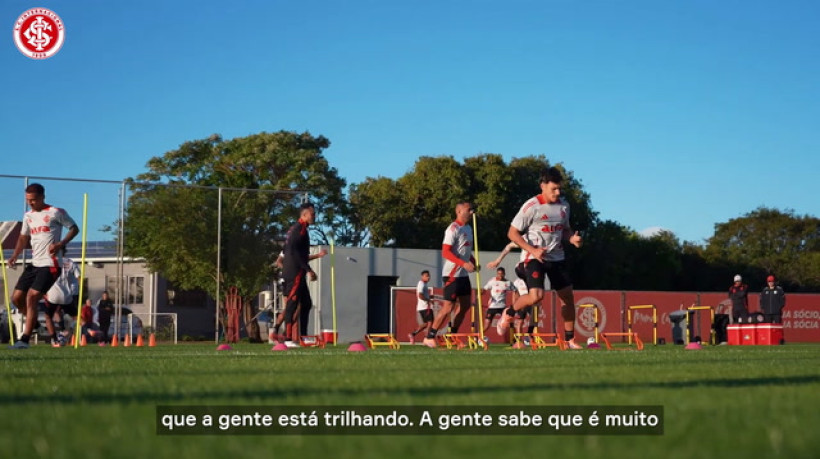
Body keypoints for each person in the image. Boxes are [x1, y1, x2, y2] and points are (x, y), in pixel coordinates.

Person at [495, 167, 584, 349]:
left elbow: (565, 229)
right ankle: (509, 312)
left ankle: (569, 340)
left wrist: (572, 239)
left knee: (567, 297)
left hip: (557, 257)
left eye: (560, 188)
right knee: (536, 297)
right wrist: (533, 250)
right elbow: (512, 233)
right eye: (554, 189)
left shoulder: (564, 206)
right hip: (533, 257)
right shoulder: (531, 206)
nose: (558, 192)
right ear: (542, 186)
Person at [7, 183, 78, 349]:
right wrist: (15, 255)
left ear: (42, 197)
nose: (30, 203)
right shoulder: (28, 216)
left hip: (51, 264)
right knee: (16, 298)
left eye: (33, 200)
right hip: (35, 264)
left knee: (31, 296)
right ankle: (35, 325)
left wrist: (60, 244)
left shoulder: (55, 212)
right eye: (28, 200)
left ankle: (24, 340)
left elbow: (74, 229)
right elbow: (23, 238)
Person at [423, 202, 477, 348]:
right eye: (468, 209)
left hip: (463, 275)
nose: (472, 212)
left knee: (465, 306)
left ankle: (452, 334)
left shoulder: (468, 228)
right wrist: (463, 263)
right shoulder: (453, 228)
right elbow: (446, 252)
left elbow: (464, 250)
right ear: (459, 211)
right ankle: (430, 336)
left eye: (472, 210)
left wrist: (472, 260)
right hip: (452, 273)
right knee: (448, 307)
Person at [269, 248, 328, 341]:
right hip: (290, 280)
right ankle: (280, 332)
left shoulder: (301, 248)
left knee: (303, 306)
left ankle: (298, 335)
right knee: (291, 308)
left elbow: (303, 260)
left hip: (300, 280)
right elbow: (279, 261)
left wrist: (316, 259)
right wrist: (288, 270)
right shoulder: (290, 246)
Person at [281, 203, 318, 347]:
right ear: (304, 215)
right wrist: (308, 269)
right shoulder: (299, 229)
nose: (314, 216)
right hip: (294, 272)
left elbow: (287, 248)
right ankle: (288, 339)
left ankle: (303, 336)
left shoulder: (298, 229)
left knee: (307, 304)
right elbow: (292, 252)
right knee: (291, 305)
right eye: (312, 214)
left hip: (298, 272)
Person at [43, 248, 81, 346]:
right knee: (74, 315)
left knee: (50, 315)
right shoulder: (71, 263)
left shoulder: (51, 262)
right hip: (71, 294)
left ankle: (58, 336)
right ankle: (69, 330)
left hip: (56, 293)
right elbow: (79, 277)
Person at [482, 267, 513, 337]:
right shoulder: (492, 281)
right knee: (486, 325)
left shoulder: (508, 283)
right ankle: (477, 337)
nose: (500, 276)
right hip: (492, 306)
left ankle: (513, 339)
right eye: (498, 274)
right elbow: (484, 289)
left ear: (504, 274)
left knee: (509, 321)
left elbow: (515, 290)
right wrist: (480, 294)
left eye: (501, 274)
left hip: (502, 307)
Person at [408, 270, 433, 344]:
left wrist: (430, 297)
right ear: (422, 276)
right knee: (430, 322)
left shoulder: (424, 284)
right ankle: (427, 339)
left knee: (425, 324)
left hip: (423, 307)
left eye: (429, 276)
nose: (428, 277)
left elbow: (423, 295)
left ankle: (412, 334)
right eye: (426, 276)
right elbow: (420, 295)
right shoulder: (421, 284)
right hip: (424, 307)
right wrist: (428, 300)